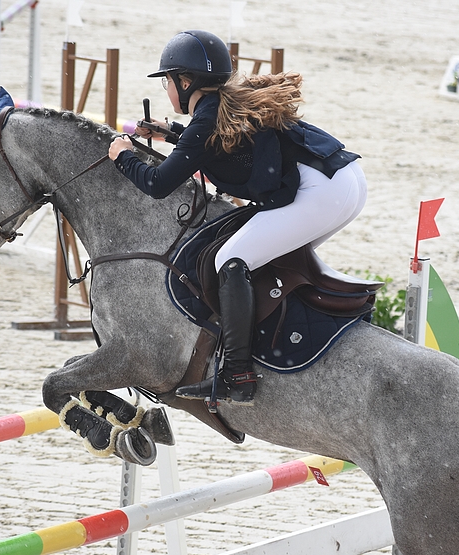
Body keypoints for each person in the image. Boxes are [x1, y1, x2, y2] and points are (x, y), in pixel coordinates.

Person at [107, 30, 367, 407]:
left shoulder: (208, 117)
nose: (165, 88)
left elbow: (159, 184)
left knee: (230, 261)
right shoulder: (219, 106)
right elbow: (223, 146)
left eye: (167, 80)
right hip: (345, 182)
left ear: (185, 81)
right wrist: (173, 134)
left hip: (323, 192)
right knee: (262, 256)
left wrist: (123, 156)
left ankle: (238, 376)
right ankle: (280, 339)